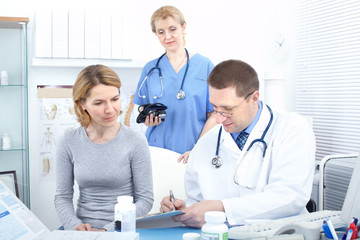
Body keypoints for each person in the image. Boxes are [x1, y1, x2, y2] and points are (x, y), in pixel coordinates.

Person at [160, 59, 316, 228]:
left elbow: (290, 197)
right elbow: (197, 199)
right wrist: (185, 210)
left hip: (280, 233)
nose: (219, 118)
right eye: (215, 108)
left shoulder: (292, 128)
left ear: (254, 98)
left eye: (228, 109)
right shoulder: (207, 141)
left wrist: (223, 209)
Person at [54, 65, 153, 231]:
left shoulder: (135, 141)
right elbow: (62, 197)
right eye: (99, 103)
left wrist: (107, 230)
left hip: (122, 229)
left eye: (115, 99)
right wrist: (75, 226)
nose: (110, 110)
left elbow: (145, 201)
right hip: (82, 231)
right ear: (82, 104)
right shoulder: (68, 141)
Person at [133, 5, 216, 157]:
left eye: (172, 29)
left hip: (193, 150)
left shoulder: (205, 66)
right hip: (157, 149)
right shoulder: (150, 69)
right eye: (161, 32)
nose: (167, 37)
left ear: (183, 27)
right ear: (155, 34)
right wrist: (147, 119)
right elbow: (142, 109)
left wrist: (198, 148)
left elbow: (215, 114)